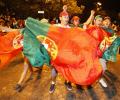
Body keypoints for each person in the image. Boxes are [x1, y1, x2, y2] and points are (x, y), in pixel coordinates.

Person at [49, 5, 72, 94]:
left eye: (67, 17)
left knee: (68, 69)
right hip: (56, 53)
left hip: (67, 53)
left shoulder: (70, 28)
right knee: (54, 71)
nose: (66, 18)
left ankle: (67, 82)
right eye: (65, 17)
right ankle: (53, 83)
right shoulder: (55, 26)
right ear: (60, 18)